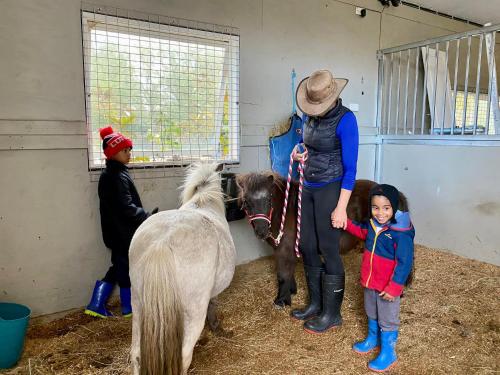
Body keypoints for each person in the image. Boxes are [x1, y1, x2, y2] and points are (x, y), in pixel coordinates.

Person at [291, 69, 359, 334]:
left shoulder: (346, 121)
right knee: (307, 245)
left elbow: (350, 169)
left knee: (328, 248)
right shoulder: (309, 116)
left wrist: (341, 207)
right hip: (308, 186)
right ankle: (316, 304)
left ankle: (332, 314)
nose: (314, 109)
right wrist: (299, 152)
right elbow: (302, 142)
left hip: (331, 187)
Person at [84, 126, 157, 318]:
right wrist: (146, 216)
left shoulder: (115, 173)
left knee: (120, 267)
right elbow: (125, 207)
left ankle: (100, 304)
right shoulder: (114, 176)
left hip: (118, 232)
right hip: (122, 233)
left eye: (129, 150)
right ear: (114, 152)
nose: (129, 154)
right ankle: (127, 307)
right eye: (125, 150)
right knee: (122, 267)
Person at [345, 184, 414, 372]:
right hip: (370, 281)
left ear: (394, 208)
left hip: (387, 286)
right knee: (371, 311)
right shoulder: (373, 225)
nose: (380, 213)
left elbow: (404, 263)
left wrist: (394, 288)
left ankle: (388, 352)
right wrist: (345, 223)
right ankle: (372, 339)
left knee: (388, 318)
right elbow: (361, 232)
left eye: (386, 208)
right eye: (375, 208)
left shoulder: (401, 233)